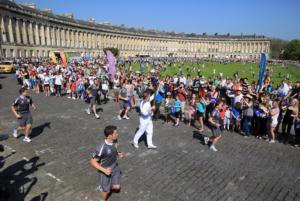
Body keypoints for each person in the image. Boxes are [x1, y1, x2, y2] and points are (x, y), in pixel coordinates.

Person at [90, 125, 124, 201]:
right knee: (106, 191)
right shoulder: (101, 147)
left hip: (115, 166)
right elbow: (92, 161)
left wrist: (118, 154)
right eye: (115, 133)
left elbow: (114, 150)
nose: (117, 134)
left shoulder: (115, 141)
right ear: (109, 136)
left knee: (117, 187)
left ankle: (104, 186)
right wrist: (104, 170)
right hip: (105, 169)